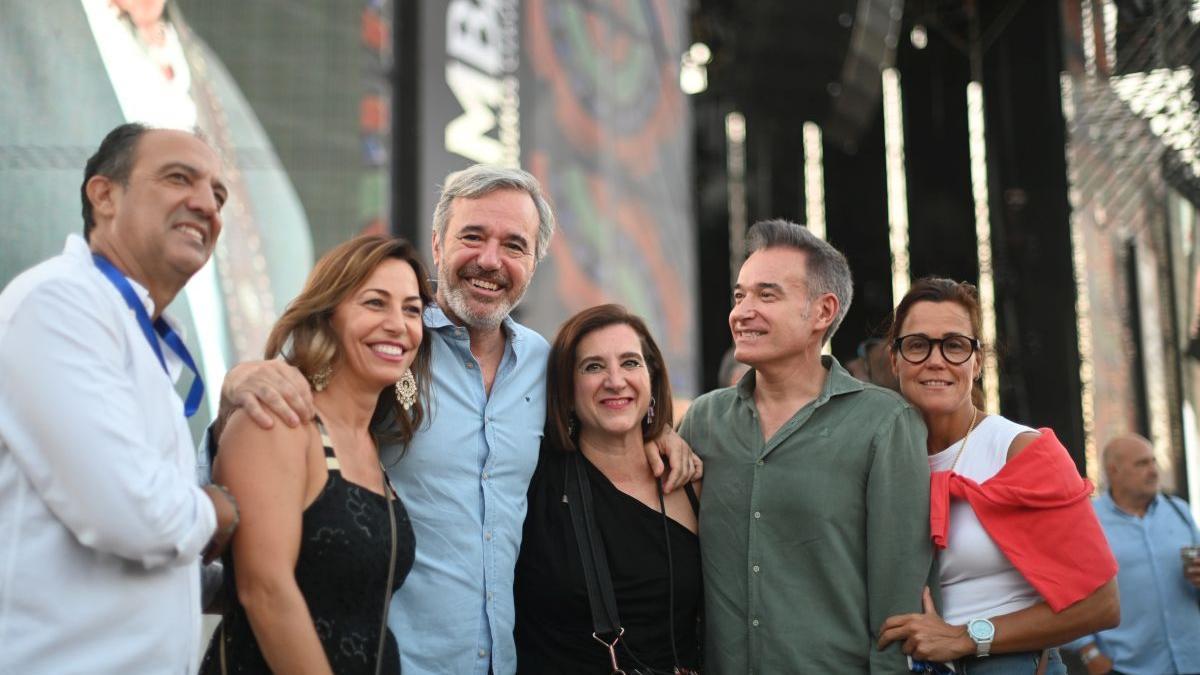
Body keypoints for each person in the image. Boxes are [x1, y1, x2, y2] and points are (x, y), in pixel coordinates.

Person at [215, 164, 700, 675]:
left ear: (535, 262)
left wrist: (660, 434)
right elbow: (281, 425)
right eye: (473, 236)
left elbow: (605, 422)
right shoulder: (387, 344)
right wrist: (241, 383)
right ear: (438, 244)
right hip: (384, 660)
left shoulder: (545, 366)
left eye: (514, 245)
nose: (489, 261)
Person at [0, 123, 239, 673]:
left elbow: (146, 553)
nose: (205, 204)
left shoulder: (131, 323)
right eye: (179, 178)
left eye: (218, 195)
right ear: (104, 195)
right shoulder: (57, 303)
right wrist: (220, 511)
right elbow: (132, 515)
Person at [679, 218, 934, 673]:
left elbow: (898, 609)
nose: (742, 311)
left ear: (822, 312)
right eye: (740, 295)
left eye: (767, 295)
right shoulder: (704, 420)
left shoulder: (885, 424)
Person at [199, 235, 429, 673]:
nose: (398, 324)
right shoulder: (281, 423)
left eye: (412, 309)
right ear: (329, 317)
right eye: (375, 303)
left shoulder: (372, 443)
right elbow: (264, 590)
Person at [877, 277, 1119, 674]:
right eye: (918, 344)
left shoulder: (1018, 450)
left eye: (954, 345)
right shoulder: (878, 456)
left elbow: (1101, 603)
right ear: (894, 359)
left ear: (977, 361)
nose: (935, 360)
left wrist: (964, 636)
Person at [515, 304, 702, 674]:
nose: (615, 380)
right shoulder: (532, 481)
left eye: (630, 363)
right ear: (566, 390)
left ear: (652, 376)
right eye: (593, 367)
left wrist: (664, 431)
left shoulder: (692, 481)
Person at [1069, 434, 1200, 675]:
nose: (1153, 471)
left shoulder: (1178, 510)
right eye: (1142, 464)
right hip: (1129, 666)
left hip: (1193, 658)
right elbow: (1068, 590)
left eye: (1153, 461)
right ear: (1113, 470)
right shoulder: (1089, 521)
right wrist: (1089, 652)